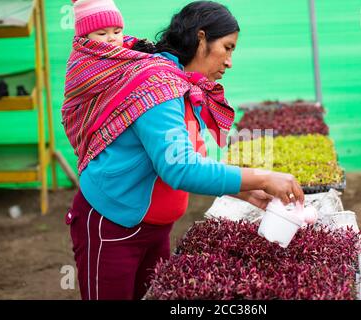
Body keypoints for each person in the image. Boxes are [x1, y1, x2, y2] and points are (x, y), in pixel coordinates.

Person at [62, 1, 304, 300]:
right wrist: (262, 177)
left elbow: (191, 156)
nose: (229, 61)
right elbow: (179, 167)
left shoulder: (181, 83)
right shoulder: (157, 85)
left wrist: (244, 192)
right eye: (227, 47)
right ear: (201, 39)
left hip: (154, 229)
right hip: (113, 226)